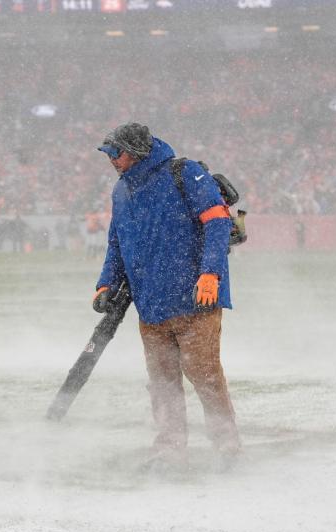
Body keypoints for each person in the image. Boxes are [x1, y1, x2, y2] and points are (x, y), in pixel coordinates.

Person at [93, 123, 241, 472]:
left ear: (137, 151)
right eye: (109, 154)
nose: (113, 160)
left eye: (118, 153)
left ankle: (228, 449)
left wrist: (211, 274)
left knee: (204, 376)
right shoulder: (121, 191)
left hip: (195, 301)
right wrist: (105, 284)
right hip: (151, 305)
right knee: (161, 383)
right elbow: (117, 243)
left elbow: (218, 222)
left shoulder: (185, 173)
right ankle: (169, 451)